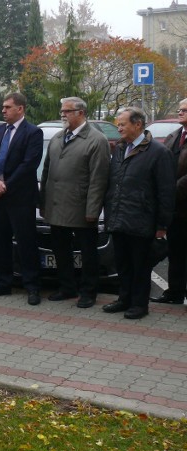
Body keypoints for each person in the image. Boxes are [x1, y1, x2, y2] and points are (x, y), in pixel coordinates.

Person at [102, 107, 175, 319]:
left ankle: (139, 304)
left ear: (138, 125)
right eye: (118, 123)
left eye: (123, 124)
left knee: (140, 266)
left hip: (142, 220)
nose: (119, 127)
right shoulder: (119, 148)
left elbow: (166, 191)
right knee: (123, 264)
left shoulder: (158, 153)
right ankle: (124, 299)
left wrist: (162, 225)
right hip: (118, 217)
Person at [39, 97, 110, 308]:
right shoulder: (58, 137)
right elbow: (46, 173)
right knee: (60, 250)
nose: (63, 115)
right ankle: (67, 287)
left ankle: (88, 292)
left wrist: (93, 210)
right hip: (56, 206)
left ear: (80, 113)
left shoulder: (97, 140)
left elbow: (99, 179)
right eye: (62, 111)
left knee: (88, 253)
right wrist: (43, 202)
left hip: (81, 208)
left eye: (67, 111)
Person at [0, 92, 44, 306]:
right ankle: (2, 283)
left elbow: (29, 164)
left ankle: (32, 286)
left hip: (19, 198)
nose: (3, 111)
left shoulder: (33, 132)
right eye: (3, 107)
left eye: (8, 107)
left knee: (26, 242)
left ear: (20, 109)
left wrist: (5, 185)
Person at [150, 99, 187, 306]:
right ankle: (175, 292)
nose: (180, 112)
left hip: (180, 200)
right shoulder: (175, 136)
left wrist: (169, 191)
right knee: (176, 252)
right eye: (180, 109)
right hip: (175, 209)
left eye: (184, 110)